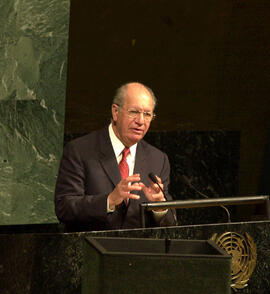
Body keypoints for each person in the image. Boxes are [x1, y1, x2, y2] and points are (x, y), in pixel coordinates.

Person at [55, 82, 177, 231]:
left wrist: (159, 206)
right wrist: (109, 200)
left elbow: (171, 224)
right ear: (115, 111)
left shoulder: (158, 159)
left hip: (139, 251)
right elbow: (64, 207)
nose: (141, 121)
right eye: (134, 112)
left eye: (147, 114)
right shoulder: (80, 151)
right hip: (91, 250)